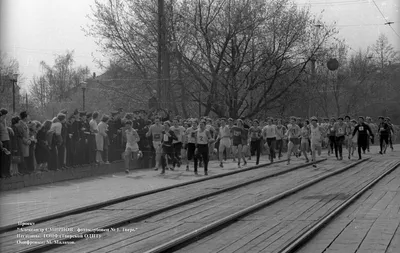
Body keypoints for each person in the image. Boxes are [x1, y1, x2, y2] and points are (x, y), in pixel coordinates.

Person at [0, 109, 11, 178]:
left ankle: (7, 172)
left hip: (7, 140)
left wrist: (9, 128)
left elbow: (5, 128)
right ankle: (2, 172)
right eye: (4, 115)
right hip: (2, 141)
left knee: (7, 157)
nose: (5, 116)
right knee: (3, 158)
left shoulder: (4, 121)